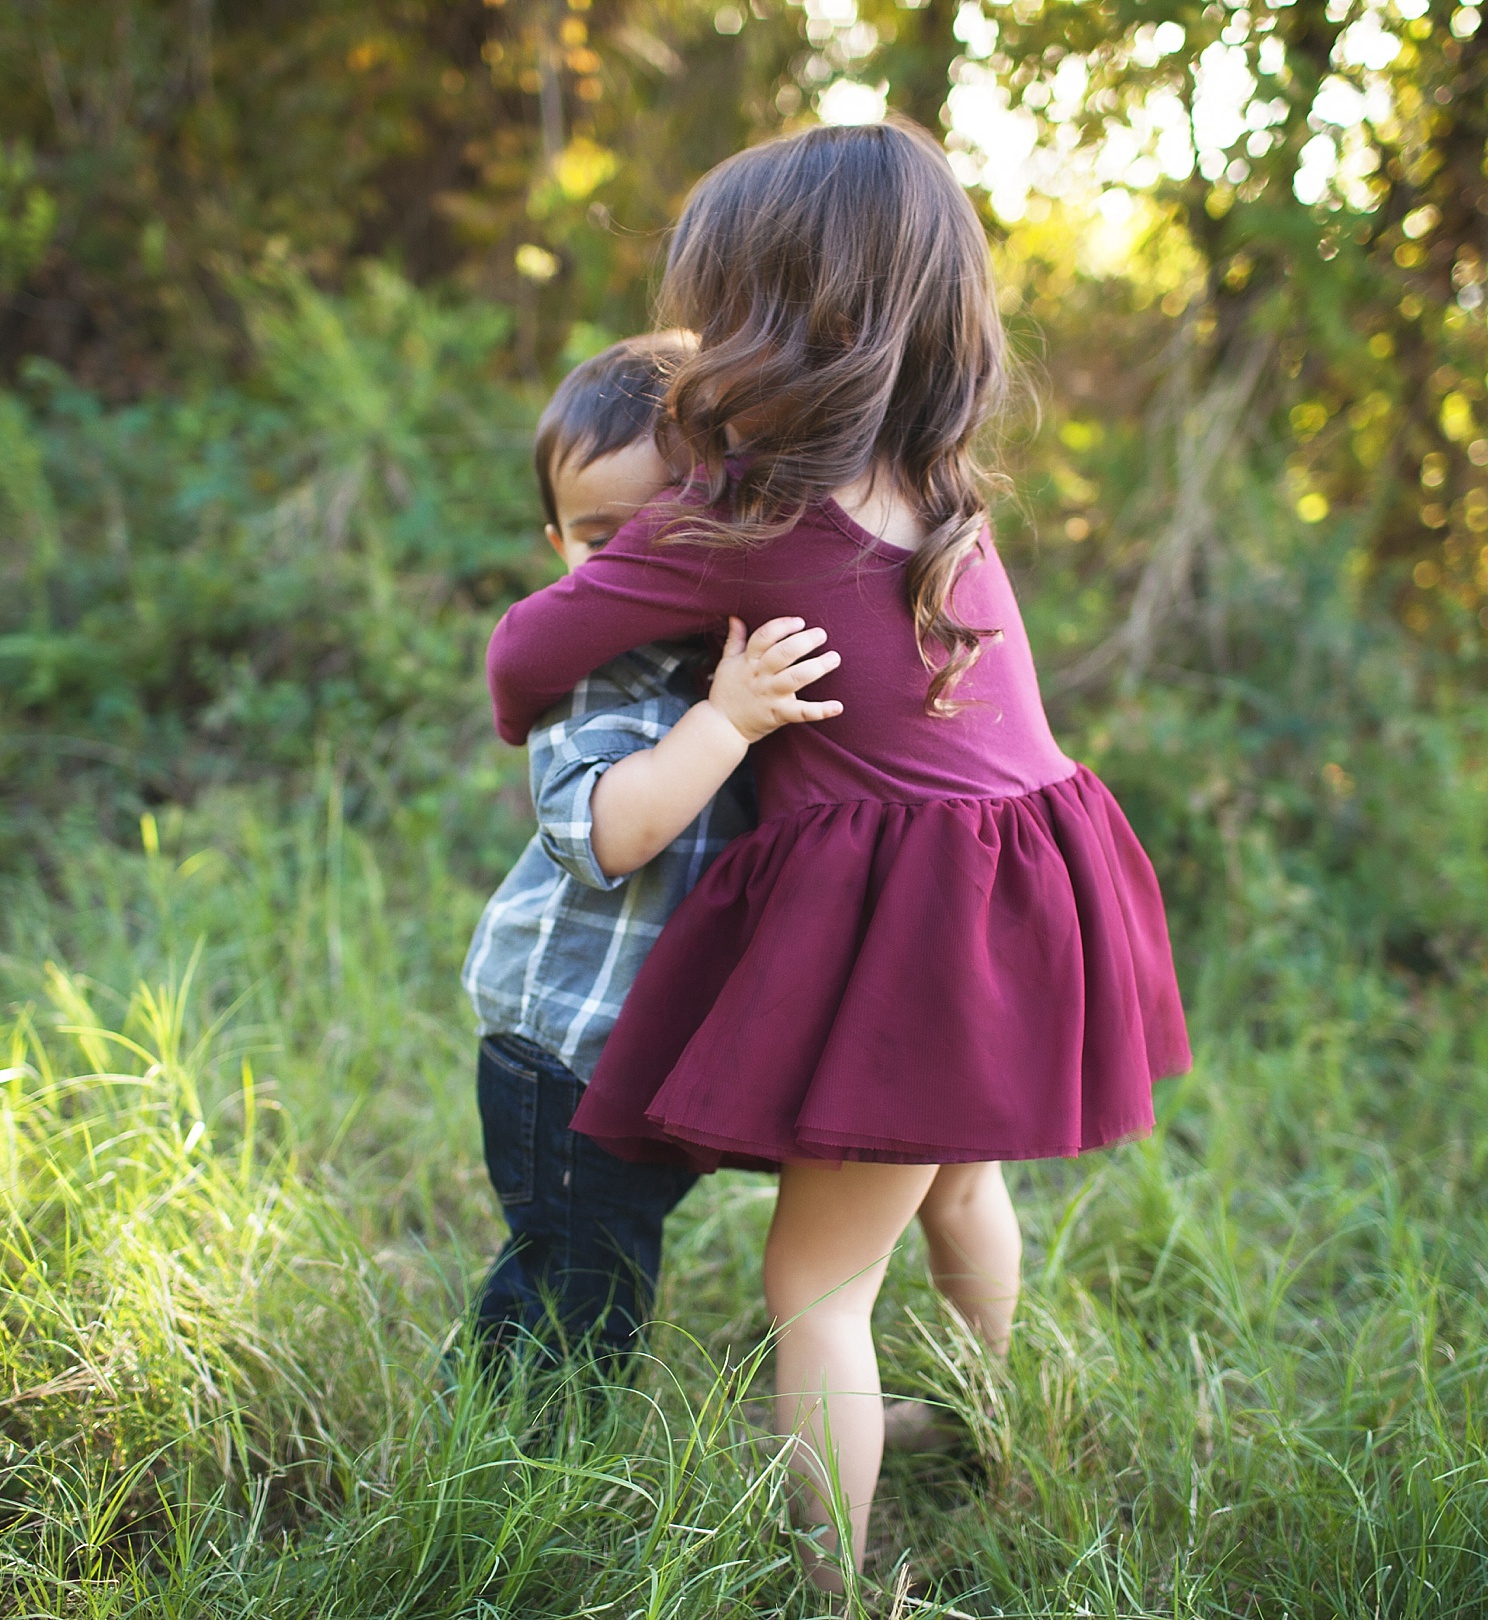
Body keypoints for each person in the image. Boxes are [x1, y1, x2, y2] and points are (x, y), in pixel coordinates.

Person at [484, 120, 1191, 1591]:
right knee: (952, 1191)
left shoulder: (742, 516)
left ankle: (838, 1583)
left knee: (814, 1289)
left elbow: (525, 655)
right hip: (1033, 898)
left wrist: (630, 575)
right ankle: (1002, 1429)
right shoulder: (941, 484)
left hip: (923, 936)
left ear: (763, 320)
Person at [461, 331, 841, 1382]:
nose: (638, 560)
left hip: (646, 1049)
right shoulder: (596, 676)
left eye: (664, 529)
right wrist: (725, 724)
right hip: (565, 1053)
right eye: (601, 539)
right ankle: (511, 1456)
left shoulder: (732, 656)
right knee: (576, 1284)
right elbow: (611, 833)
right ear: (558, 549)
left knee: (610, 1257)